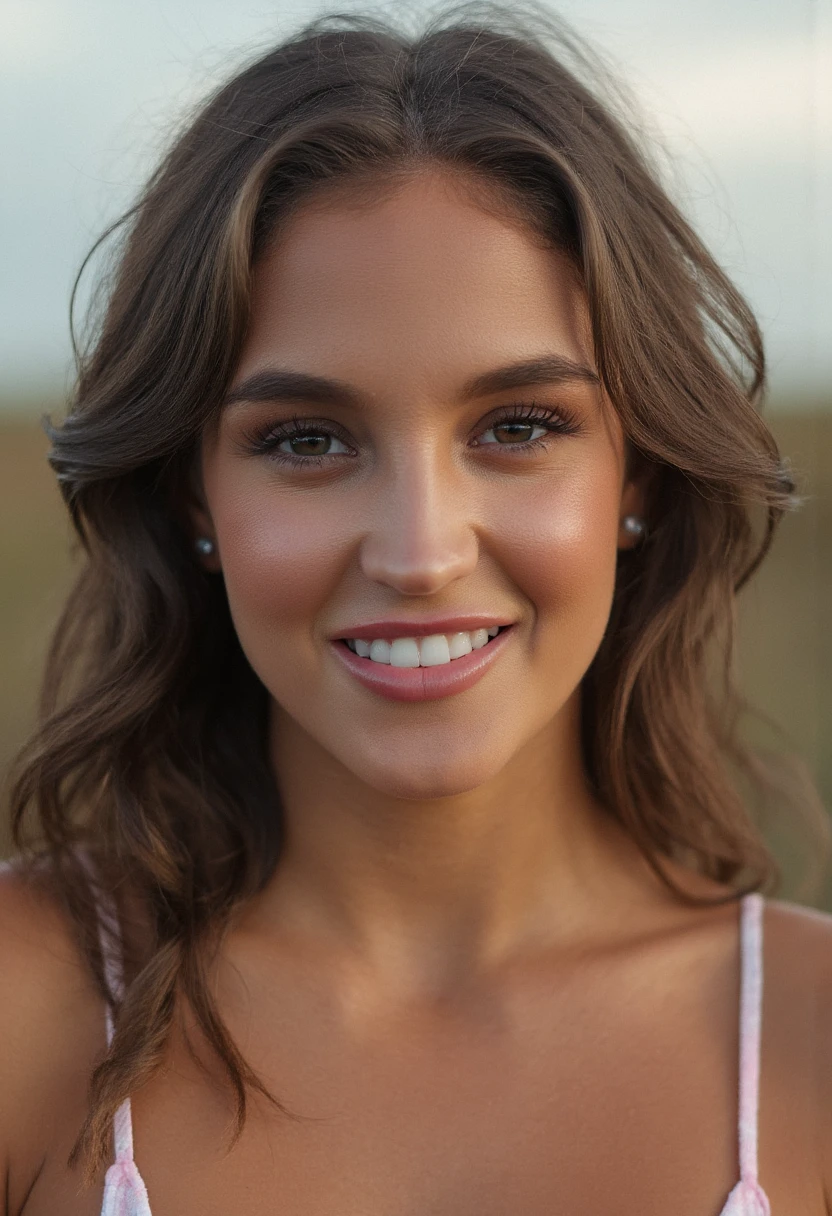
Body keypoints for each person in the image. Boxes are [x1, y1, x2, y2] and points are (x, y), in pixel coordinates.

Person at [1, 5, 830, 1214]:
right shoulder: (29, 1001)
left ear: (635, 475)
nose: (421, 551)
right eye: (306, 439)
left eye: (517, 426)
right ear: (194, 495)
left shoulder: (808, 1043)